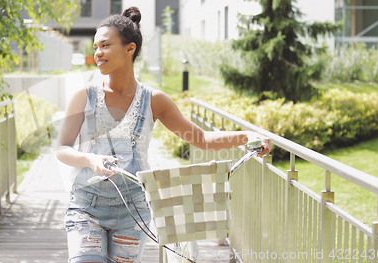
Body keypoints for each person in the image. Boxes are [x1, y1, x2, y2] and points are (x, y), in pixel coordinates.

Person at [56, 6, 272, 263]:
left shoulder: (154, 100)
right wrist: (91, 160)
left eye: (105, 45)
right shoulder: (85, 96)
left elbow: (200, 139)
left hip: (133, 211)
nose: (97, 53)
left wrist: (246, 136)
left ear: (130, 48)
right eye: (95, 47)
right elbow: (63, 149)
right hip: (86, 206)